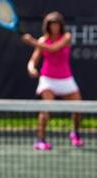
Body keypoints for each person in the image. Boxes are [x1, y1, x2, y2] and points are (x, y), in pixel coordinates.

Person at [22, 11, 84, 151]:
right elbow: (33, 60)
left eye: (56, 25)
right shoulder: (42, 40)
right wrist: (31, 68)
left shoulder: (66, 37)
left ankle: (75, 133)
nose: (54, 27)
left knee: (79, 109)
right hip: (48, 79)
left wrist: (32, 41)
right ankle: (40, 140)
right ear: (47, 26)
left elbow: (53, 48)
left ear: (61, 26)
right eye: (52, 25)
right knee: (46, 109)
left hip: (66, 78)